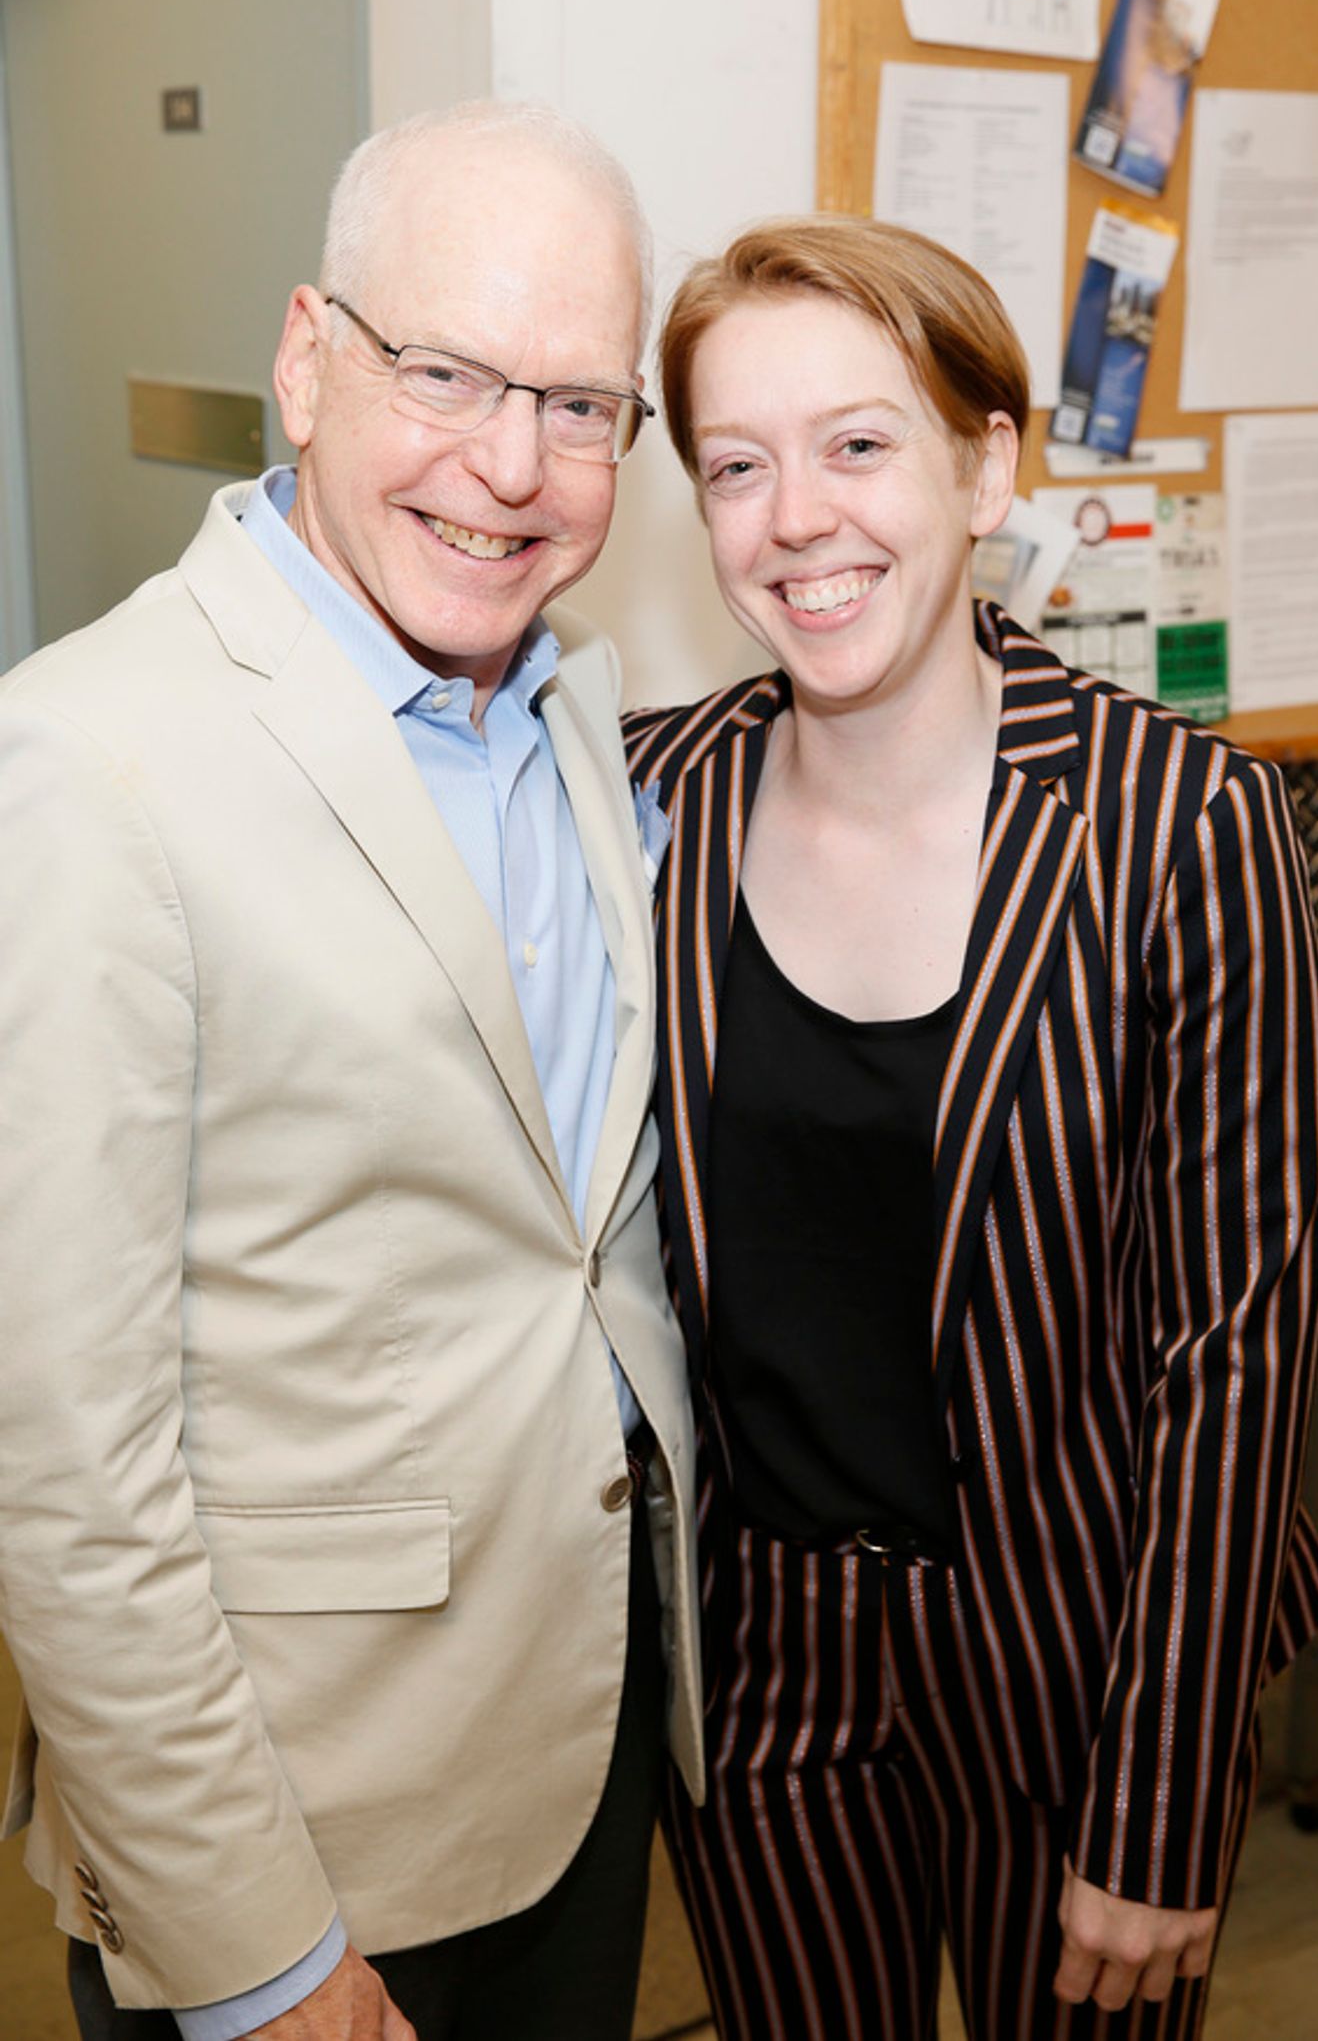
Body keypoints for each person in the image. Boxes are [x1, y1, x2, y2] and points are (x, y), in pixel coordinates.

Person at [0, 101, 703, 2041]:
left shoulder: (570, 705)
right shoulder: (85, 764)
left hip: (578, 1752)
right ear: (308, 362)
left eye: (580, 405)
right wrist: (260, 1959)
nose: (513, 467)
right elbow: (61, 1459)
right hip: (305, 1839)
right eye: (445, 372)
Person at [623, 217, 1318, 2041]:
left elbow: (1233, 1353)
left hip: (1079, 1655)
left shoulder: (1178, 826)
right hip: (763, 1670)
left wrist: (1165, 1802)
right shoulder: (644, 802)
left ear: (985, 466)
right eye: (736, 467)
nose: (797, 519)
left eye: (859, 445)